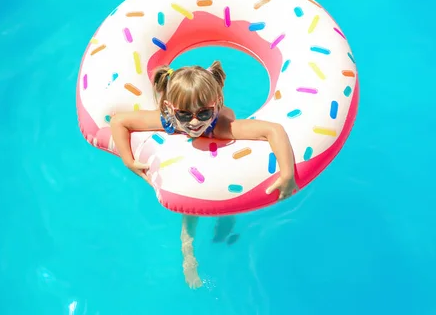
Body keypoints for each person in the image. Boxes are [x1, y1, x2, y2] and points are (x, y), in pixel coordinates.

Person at [110, 60, 298, 289]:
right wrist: (128, 160)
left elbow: (273, 130)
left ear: (217, 104)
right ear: (169, 108)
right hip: (190, 168)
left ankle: (226, 221)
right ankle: (188, 254)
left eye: (204, 112)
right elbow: (119, 121)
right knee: (189, 203)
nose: (195, 122)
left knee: (227, 191)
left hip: (222, 154)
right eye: (184, 115)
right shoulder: (168, 121)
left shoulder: (221, 128)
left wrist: (287, 174)